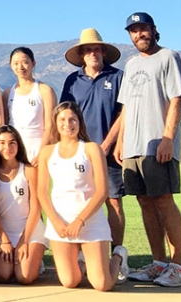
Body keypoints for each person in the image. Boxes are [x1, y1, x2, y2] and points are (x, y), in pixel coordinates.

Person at [113, 12, 181, 287]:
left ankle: (178, 267)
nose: (138, 34)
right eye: (133, 31)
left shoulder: (168, 56)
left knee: (164, 200)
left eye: (143, 29)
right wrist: (121, 141)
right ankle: (159, 263)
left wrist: (168, 138)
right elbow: (125, 108)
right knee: (144, 201)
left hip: (157, 142)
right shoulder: (131, 64)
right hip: (133, 145)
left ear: (153, 30)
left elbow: (177, 98)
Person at [37, 102, 128, 291]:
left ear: (79, 122)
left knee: (102, 284)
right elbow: (41, 192)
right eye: (62, 119)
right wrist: (56, 222)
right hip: (60, 224)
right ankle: (83, 261)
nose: (67, 124)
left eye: (72, 119)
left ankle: (118, 256)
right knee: (70, 282)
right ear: (55, 123)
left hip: (90, 222)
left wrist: (80, 220)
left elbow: (102, 192)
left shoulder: (91, 149)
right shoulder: (47, 152)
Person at [60, 28, 127, 270]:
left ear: (103, 52)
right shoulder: (72, 80)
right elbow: (65, 115)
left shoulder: (118, 77)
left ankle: (117, 255)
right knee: (79, 200)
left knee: (113, 201)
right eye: (88, 50)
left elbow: (124, 113)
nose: (93, 53)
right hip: (79, 152)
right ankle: (81, 253)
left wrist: (108, 143)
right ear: (81, 54)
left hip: (109, 154)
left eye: (97, 49)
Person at [0, 125, 47, 284]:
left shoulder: (29, 170)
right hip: (4, 230)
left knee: (24, 277)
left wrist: (23, 242)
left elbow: (36, 209)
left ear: (18, 145)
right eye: (2, 143)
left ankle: (35, 259)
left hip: (29, 230)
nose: (7, 147)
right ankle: (20, 259)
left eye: (12, 143)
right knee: (3, 276)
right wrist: (4, 240)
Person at [3, 47, 56, 165]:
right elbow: (5, 124)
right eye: (16, 63)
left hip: (37, 149)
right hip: (14, 150)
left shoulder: (45, 90)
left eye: (25, 62)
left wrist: (42, 152)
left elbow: (50, 125)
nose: (20, 67)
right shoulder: (7, 93)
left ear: (33, 63)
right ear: (10, 65)